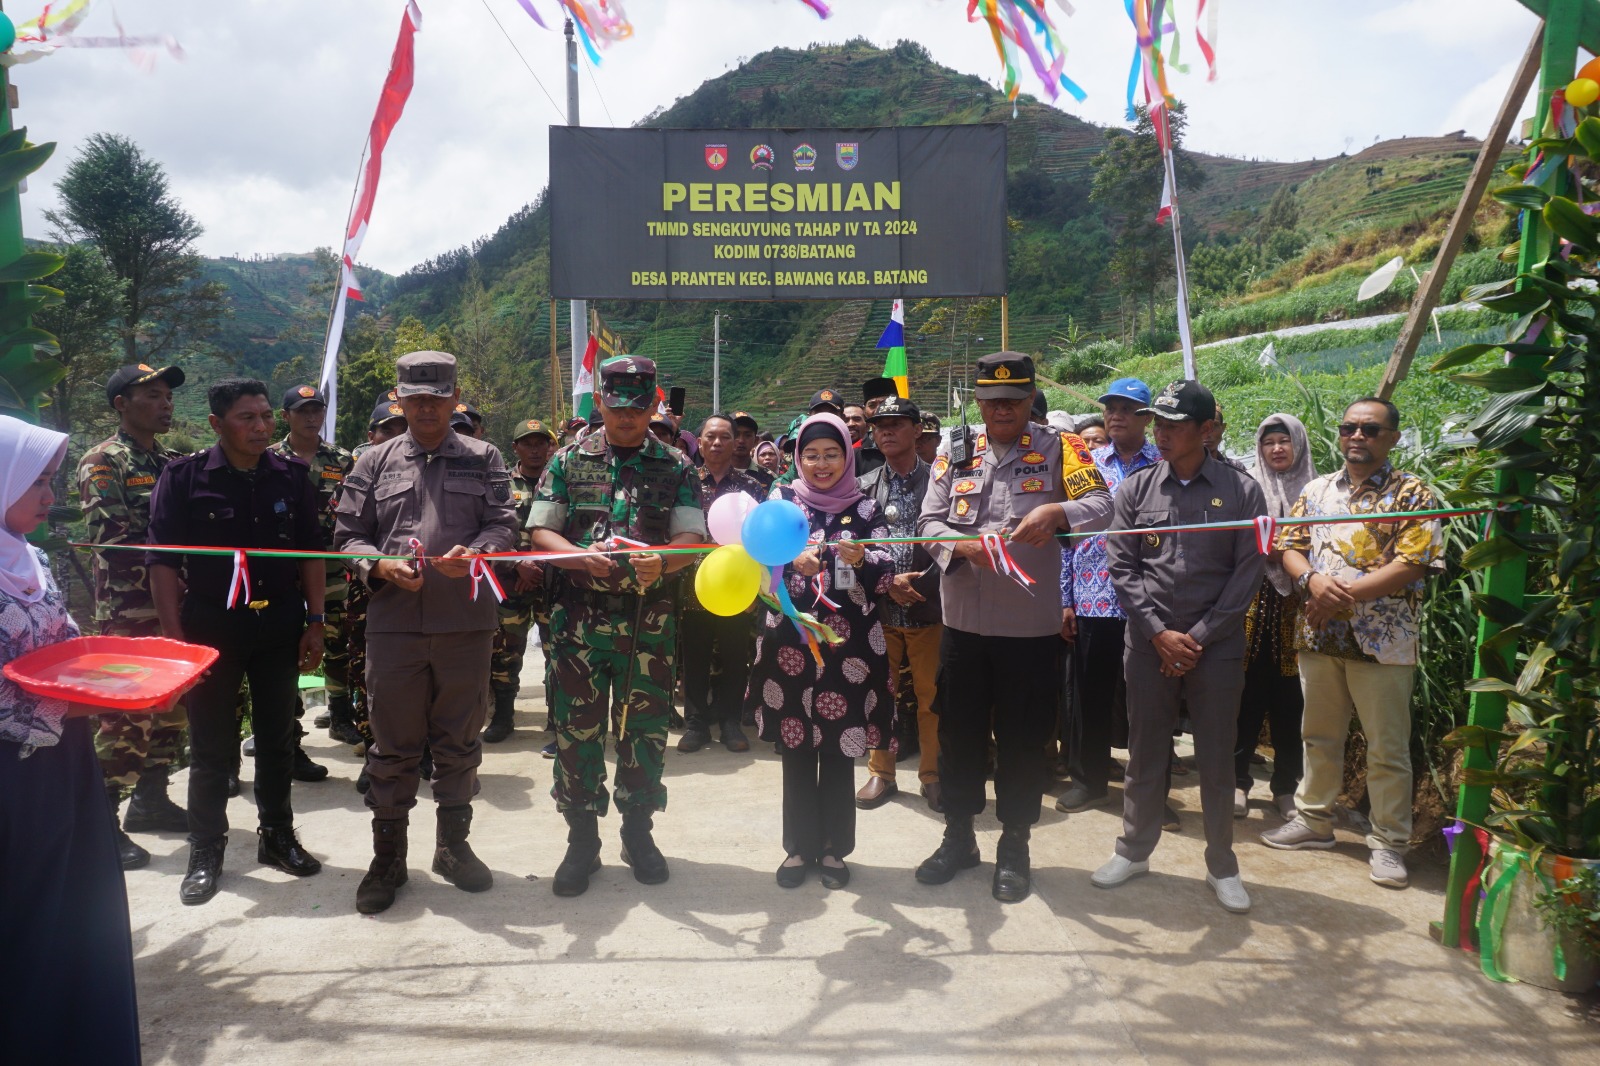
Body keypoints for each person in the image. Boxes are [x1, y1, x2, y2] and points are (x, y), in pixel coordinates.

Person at [916, 352, 1112, 903]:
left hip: (1029, 629)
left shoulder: (1061, 449)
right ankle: (959, 837)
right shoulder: (956, 452)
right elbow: (928, 521)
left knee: (1025, 740)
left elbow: (1105, 504)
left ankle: (1015, 845)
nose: (1002, 409)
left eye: (1014, 400)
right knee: (958, 733)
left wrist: (1058, 514)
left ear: (1030, 401)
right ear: (978, 401)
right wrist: (960, 547)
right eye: (992, 400)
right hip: (963, 625)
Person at [333, 351, 519, 914]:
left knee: (460, 740)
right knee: (391, 746)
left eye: (437, 398)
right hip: (394, 627)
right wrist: (378, 566)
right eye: (415, 399)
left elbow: (504, 522)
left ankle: (453, 847)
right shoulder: (372, 462)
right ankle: (388, 856)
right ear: (400, 400)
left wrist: (481, 552)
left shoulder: (485, 458)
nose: (426, 408)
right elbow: (346, 535)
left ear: (453, 397)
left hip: (465, 623)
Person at [528, 356, 707, 897]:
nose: (626, 416)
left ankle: (638, 832)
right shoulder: (566, 459)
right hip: (577, 627)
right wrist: (580, 557)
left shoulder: (675, 465)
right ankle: (582, 840)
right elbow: (540, 532)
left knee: (644, 734)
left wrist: (663, 561)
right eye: (616, 404)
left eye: (638, 406)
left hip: (648, 628)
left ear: (653, 405)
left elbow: (691, 540)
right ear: (600, 402)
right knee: (577, 735)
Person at [1089, 380, 1267, 915]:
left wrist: (1200, 636)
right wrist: (1159, 632)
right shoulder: (1136, 490)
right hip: (1149, 643)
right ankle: (1134, 850)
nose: (1162, 435)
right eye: (1158, 424)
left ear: (1206, 430)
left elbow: (1248, 571)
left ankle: (1221, 865)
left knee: (1215, 757)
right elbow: (1122, 566)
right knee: (1145, 752)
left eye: (1174, 425)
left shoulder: (1242, 492)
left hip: (1217, 646)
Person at [148, 379, 327, 906]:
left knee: (276, 740)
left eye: (266, 416)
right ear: (216, 425)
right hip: (210, 631)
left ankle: (277, 836)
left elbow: (309, 553)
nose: (261, 426)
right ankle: (206, 850)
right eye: (247, 417)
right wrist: (176, 642)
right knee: (211, 748)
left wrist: (315, 621)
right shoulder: (184, 478)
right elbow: (160, 561)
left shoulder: (291, 477)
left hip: (278, 630)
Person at [0, 416, 142, 1065]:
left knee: (79, 910)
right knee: (23, 914)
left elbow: (61, 639)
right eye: (38, 481)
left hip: (66, 762)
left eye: (52, 480)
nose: (50, 496)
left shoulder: (31, 557)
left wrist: (116, 682)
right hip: (11, 775)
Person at [1262, 398, 1444, 890]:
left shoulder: (1411, 493)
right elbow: (1290, 546)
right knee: (1318, 735)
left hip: (1382, 643)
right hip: (1319, 635)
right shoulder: (1317, 490)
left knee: (1387, 747)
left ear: (1392, 438)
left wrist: (1334, 595)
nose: (1357, 436)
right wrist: (1311, 584)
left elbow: (1413, 563)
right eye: (1349, 428)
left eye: (1369, 429)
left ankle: (1388, 842)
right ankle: (1315, 820)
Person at [748, 412, 895, 888]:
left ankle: (834, 849)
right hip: (789, 643)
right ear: (798, 457)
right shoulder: (781, 500)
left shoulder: (867, 508)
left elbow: (889, 569)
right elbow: (754, 555)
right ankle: (798, 849)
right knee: (795, 747)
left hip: (849, 648)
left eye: (832, 454)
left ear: (848, 454)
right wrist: (791, 560)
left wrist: (863, 557)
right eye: (811, 455)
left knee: (838, 748)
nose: (821, 464)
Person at [78, 362, 190, 870]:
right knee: (126, 718)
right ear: (122, 404)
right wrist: (180, 567)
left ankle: (151, 800)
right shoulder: (104, 461)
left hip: (176, 607)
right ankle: (101, 822)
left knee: (171, 711)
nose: (165, 403)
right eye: (153, 394)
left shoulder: (173, 460)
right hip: (129, 611)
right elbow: (114, 540)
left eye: (167, 395)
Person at [1057, 378, 1161, 814]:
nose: (1115, 415)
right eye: (1110, 407)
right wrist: (1065, 597)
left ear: (1148, 418)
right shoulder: (1087, 466)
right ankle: (1089, 780)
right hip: (1093, 596)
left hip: (1150, 601)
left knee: (1149, 703)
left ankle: (1150, 793)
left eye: (1127, 408)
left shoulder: (1164, 465)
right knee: (1090, 695)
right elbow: (1065, 535)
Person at [852, 396, 943, 812]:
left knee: (933, 695)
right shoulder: (865, 486)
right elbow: (858, 549)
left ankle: (934, 775)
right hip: (880, 609)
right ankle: (881, 773)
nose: (886, 431)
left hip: (931, 604)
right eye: (879, 424)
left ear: (916, 430)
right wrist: (888, 583)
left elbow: (955, 538)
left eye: (896, 424)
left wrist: (921, 581)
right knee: (880, 692)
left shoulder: (942, 481)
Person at [1234, 414, 1315, 820]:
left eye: (1285, 441)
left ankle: (1286, 787)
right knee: (1244, 697)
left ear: (1299, 445)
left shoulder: (1319, 490)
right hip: (1251, 603)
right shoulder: (1248, 486)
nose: (1277, 449)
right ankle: (1237, 782)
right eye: (1269, 443)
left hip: (1302, 608)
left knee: (1292, 702)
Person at [272, 384, 356, 762]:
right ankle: (287, 729)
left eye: (317, 410)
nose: (311, 417)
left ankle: (340, 712)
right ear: (285, 415)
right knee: (284, 645)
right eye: (302, 410)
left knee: (339, 641)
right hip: (283, 571)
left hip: (334, 568)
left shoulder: (343, 459)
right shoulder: (270, 458)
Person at [679, 414, 765, 753]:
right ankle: (696, 725)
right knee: (694, 657)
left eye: (725, 437)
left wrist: (758, 586)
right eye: (710, 437)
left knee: (734, 656)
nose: (717, 443)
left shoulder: (752, 487)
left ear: (737, 443)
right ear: (699, 442)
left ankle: (731, 722)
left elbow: (760, 538)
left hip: (736, 586)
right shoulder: (684, 482)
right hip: (692, 585)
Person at [345, 396, 408, 793]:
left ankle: (424, 754)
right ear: (371, 436)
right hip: (369, 595)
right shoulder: (356, 477)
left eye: (401, 431)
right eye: (387, 430)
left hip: (422, 593)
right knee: (369, 678)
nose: (395, 437)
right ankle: (375, 753)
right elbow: (347, 538)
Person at [485, 417, 557, 745]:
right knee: (505, 652)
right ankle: (503, 716)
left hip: (553, 583)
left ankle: (557, 719)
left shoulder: (560, 480)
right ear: (515, 448)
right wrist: (518, 564)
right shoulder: (500, 484)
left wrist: (539, 567)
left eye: (540, 442)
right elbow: (490, 528)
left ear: (549, 446)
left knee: (558, 653)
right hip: (510, 584)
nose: (534, 449)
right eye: (527, 443)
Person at [842, 402, 885, 477]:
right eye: (845, 420)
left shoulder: (879, 452)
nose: (851, 424)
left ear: (868, 425)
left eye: (857, 419)